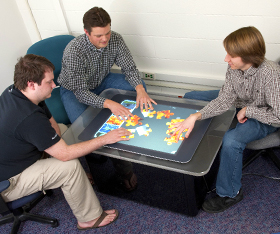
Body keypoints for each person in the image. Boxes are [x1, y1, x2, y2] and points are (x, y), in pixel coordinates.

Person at [0, 54, 133, 229]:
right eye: (49, 82)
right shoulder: (28, 117)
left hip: (16, 153)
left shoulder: (17, 91)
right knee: (69, 168)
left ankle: (77, 181)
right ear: (31, 84)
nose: (54, 85)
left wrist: (62, 143)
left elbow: (51, 123)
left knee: (64, 130)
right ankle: (88, 219)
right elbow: (64, 155)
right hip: (8, 181)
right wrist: (106, 139)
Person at [170, 26, 280, 213]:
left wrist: (249, 110)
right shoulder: (234, 68)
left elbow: (278, 117)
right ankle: (194, 148)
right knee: (192, 96)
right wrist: (195, 116)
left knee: (231, 140)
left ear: (249, 55)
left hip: (265, 116)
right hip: (240, 102)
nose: (225, 59)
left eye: (231, 55)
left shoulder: (271, 73)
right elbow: (224, 100)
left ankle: (230, 193)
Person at [58, 6, 157, 191]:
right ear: (86, 32)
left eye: (107, 33)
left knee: (138, 85)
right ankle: (106, 164)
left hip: (102, 80)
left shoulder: (116, 38)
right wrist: (109, 103)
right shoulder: (74, 51)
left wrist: (140, 89)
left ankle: (139, 125)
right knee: (86, 130)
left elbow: (129, 68)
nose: (105, 39)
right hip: (74, 90)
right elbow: (80, 92)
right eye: (98, 36)